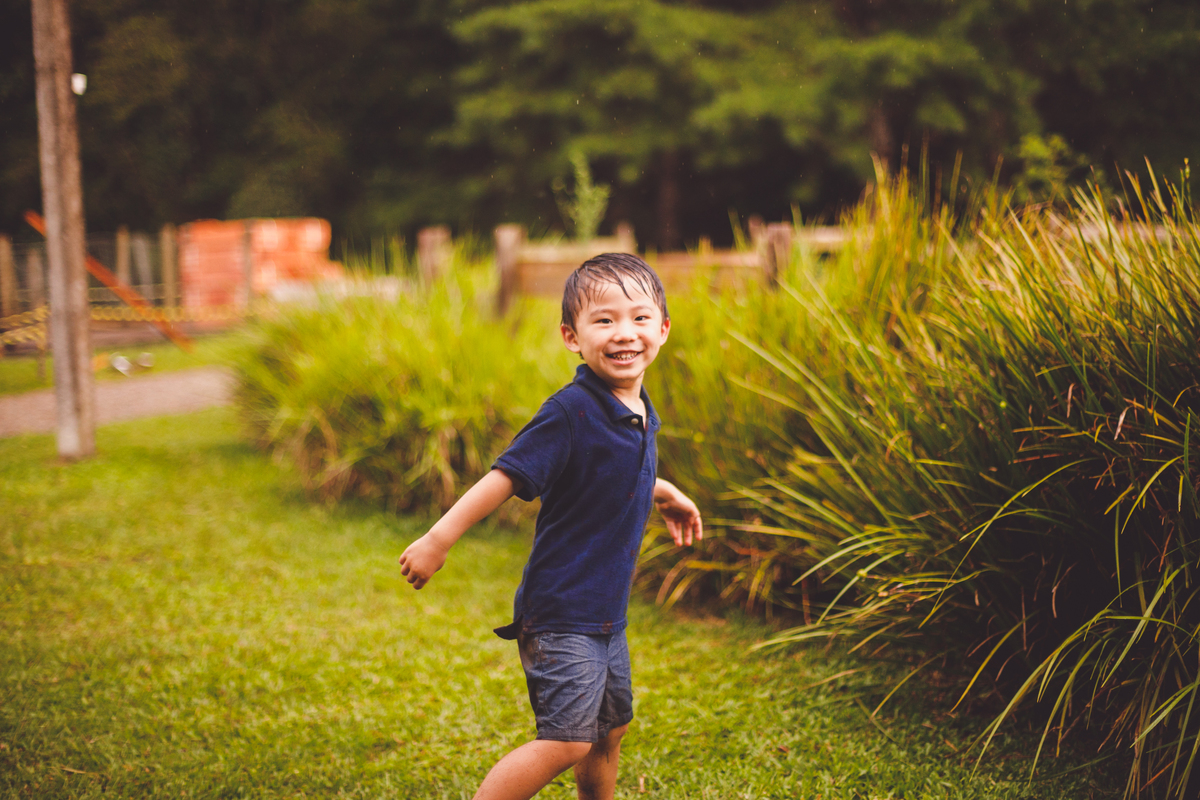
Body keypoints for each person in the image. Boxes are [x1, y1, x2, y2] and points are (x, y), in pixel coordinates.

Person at [398, 252, 703, 800]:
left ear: (663, 328)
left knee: (609, 732)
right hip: (563, 613)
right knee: (567, 741)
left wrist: (664, 492)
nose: (624, 333)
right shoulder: (571, 411)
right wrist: (438, 538)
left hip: (607, 616)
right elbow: (507, 475)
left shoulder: (635, 406)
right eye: (604, 320)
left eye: (638, 317)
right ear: (571, 336)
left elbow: (612, 471)